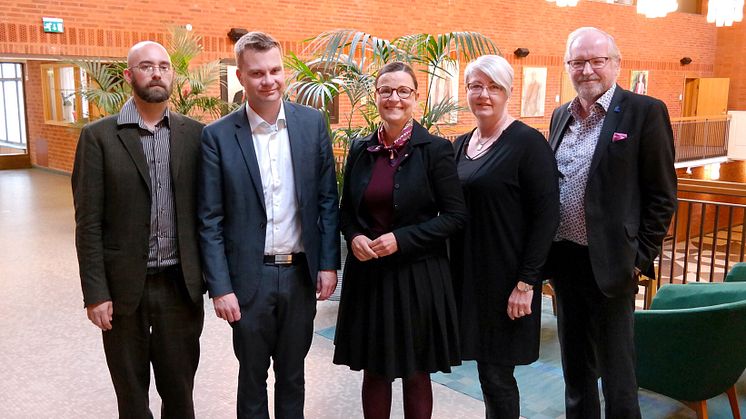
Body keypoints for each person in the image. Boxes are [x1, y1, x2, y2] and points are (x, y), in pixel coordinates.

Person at [198, 31, 340, 419]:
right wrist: (220, 288)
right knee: (252, 377)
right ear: (241, 77)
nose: (269, 80)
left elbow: (327, 201)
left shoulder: (312, 124)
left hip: (300, 277)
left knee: (293, 376)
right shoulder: (218, 136)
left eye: (276, 70)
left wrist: (328, 264)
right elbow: (209, 220)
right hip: (248, 281)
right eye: (257, 73)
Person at [546, 27, 677, 418]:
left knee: (618, 376)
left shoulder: (644, 111)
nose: (587, 69)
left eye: (596, 60)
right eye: (577, 62)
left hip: (613, 264)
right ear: (568, 67)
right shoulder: (559, 116)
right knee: (576, 371)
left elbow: (662, 195)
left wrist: (639, 258)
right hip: (565, 262)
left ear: (616, 64)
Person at [72, 41, 205, 418]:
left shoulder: (194, 135)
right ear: (130, 75)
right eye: (147, 66)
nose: (157, 72)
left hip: (180, 287)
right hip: (122, 289)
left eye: (164, 66)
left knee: (180, 392)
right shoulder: (98, 137)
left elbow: (208, 213)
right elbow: (88, 223)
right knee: (131, 395)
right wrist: (95, 293)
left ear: (172, 74)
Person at [333, 61, 467, 419]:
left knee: (415, 370)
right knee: (374, 370)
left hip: (418, 277)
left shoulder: (436, 150)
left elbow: (456, 216)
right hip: (370, 277)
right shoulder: (361, 149)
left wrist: (402, 239)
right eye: (386, 90)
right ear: (376, 96)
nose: (394, 98)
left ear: (416, 97)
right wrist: (355, 235)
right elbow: (346, 211)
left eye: (403, 91)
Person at [451, 55, 560, 419]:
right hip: (469, 278)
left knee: (498, 376)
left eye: (493, 86)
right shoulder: (460, 144)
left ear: (508, 91)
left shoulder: (528, 144)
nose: (483, 94)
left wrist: (527, 283)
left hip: (507, 281)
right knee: (484, 372)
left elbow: (547, 217)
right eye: (475, 86)